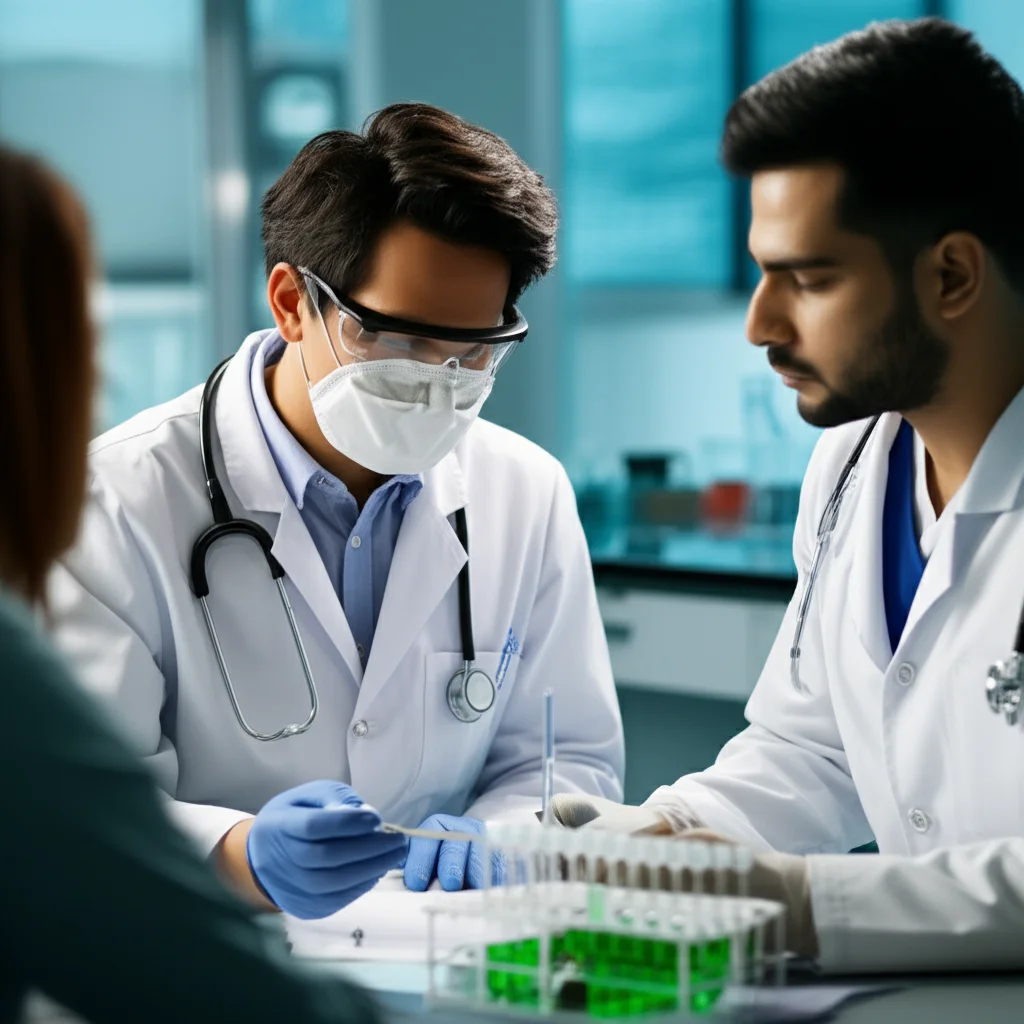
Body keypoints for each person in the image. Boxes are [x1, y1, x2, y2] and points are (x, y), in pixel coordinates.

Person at [49, 103, 624, 919]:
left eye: (474, 350)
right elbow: (77, 810)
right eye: (399, 341)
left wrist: (506, 833)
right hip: (210, 965)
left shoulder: (524, 490)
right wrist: (239, 855)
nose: (441, 381)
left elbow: (570, 763)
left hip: (442, 958)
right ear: (292, 303)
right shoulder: (111, 501)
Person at [552, 19, 1024, 974]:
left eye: (807, 279)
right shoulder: (853, 461)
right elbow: (815, 749)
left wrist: (804, 903)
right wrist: (669, 833)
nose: (760, 323)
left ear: (951, 274)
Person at [0, 143, 395, 1024]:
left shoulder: (513, 483)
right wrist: (245, 852)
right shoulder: (11, 669)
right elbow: (162, 946)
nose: (96, 383)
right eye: (82, 345)